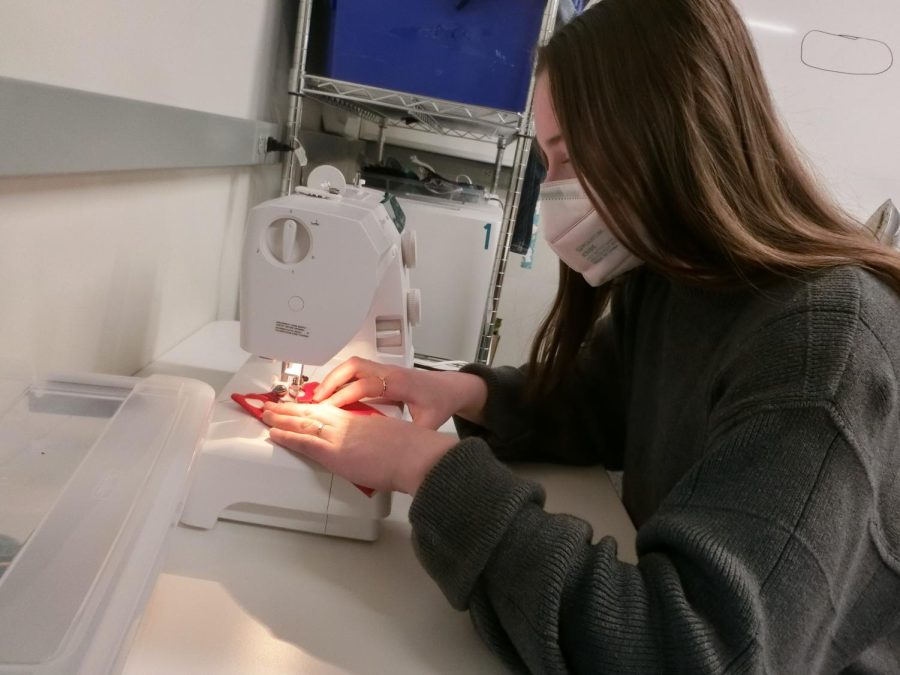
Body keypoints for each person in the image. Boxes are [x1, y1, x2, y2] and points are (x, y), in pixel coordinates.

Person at [262, 0, 900, 671]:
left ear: (666, 129)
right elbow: (592, 407)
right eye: (545, 159)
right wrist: (453, 389)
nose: (554, 191)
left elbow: (686, 650)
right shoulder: (675, 280)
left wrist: (423, 467)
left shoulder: (822, 340)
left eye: (565, 159)